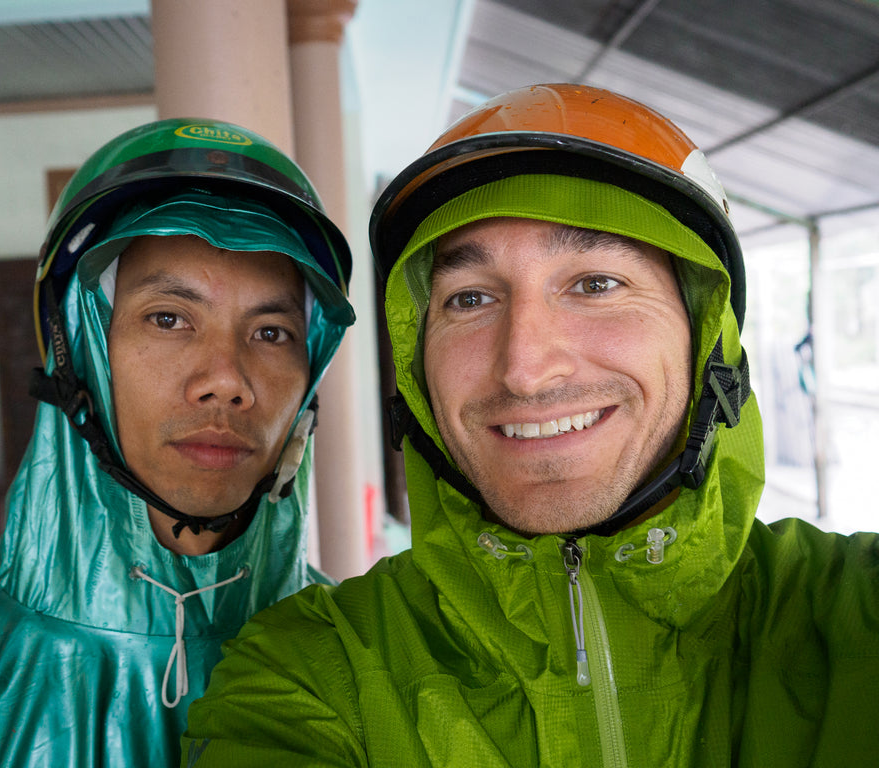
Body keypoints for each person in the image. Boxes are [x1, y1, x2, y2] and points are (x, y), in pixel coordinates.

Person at [182, 84, 879, 766]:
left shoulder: (853, 615)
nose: (523, 369)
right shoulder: (308, 672)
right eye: (470, 299)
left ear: (707, 338)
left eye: (596, 284)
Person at [0, 117, 354, 766]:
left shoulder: (370, 670)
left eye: (270, 333)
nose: (228, 381)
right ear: (77, 352)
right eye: (168, 318)